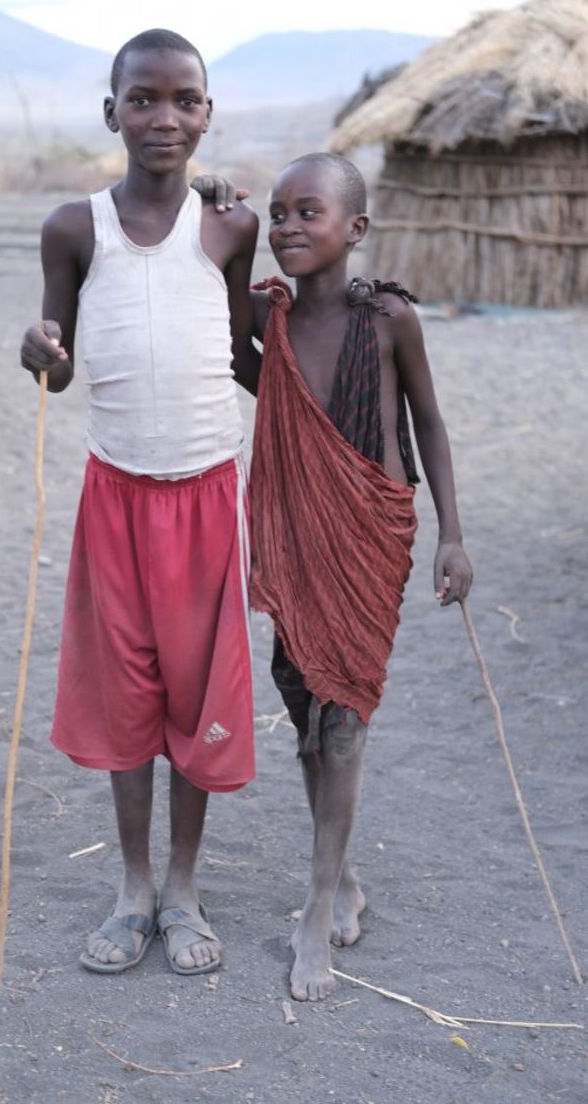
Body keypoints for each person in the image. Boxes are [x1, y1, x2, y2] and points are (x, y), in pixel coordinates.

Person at [202, 153, 472, 1001]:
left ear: (354, 228)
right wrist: (231, 218)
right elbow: (231, 343)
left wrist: (452, 538)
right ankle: (345, 873)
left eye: (306, 211)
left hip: (370, 533)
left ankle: (316, 905)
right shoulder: (266, 321)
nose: (287, 226)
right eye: (277, 213)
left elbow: (429, 422)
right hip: (289, 535)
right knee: (308, 717)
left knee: (345, 716)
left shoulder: (390, 318)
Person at [20, 29, 260, 977]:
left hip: (209, 495)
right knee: (128, 692)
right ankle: (131, 887)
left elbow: (243, 358)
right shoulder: (75, 229)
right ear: (110, 110)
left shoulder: (230, 228)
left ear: (208, 113)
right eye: (145, 99)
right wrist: (37, 352)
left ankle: (186, 887)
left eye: (186, 100)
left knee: (197, 695)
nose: (166, 117)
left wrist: (329, 372)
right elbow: (59, 364)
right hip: (115, 494)